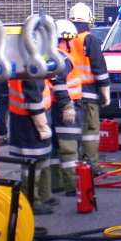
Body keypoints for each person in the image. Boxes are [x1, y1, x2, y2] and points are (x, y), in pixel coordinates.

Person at [68, 2, 111, 176]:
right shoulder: (89, 39)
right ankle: (91, 166)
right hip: (90, 94)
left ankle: (76, 165)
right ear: (88, 20)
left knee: (73, 133)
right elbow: (99, 68)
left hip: (70, 95)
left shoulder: (65, 38)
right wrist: (105, 92)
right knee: (91, 132)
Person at [8, 77, 58, 215]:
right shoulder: (31, 67)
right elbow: (34, 99)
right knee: (33, 162)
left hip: (32, 116)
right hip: (30, 120)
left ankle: (44, 195)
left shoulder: (29, 62)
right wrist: (41, 125)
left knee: (43, 157)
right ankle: (31, 201)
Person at [49, 20, 85, 197]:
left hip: (55, 108)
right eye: (71, 40)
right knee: (69, 148)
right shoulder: (62, 58)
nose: (73, 43)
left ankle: (56, 184)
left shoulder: (53, 56)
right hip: (64, 108)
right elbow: (60, 84)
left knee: (56, 149)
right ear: (64, 39)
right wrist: (67, 106)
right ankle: (72, 186)